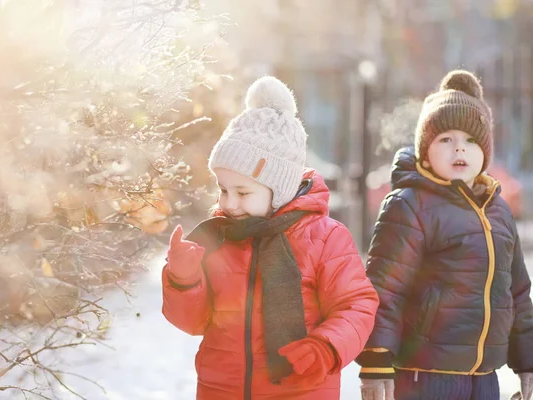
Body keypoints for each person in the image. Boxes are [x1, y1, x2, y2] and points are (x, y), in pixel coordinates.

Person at [162, 75, 379, 399]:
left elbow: (356, 305)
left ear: (279, 189)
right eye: (223, 189)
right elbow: (195, 322)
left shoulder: (324, 238)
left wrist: (326, 346)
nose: (228, 202)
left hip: (301, 389)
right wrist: (184, 280)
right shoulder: (220, 237)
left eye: (243, 192)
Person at [356, 69, 533, 400]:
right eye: (445, 140)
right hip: (425, 375)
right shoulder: (410, 205)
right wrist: (376, 358)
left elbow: (518, 291)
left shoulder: (497, 210)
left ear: (484, 151)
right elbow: (385, 287)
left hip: (484, 378)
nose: (459, 150)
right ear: (425, 151)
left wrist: (528, 360)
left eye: (470, 141)